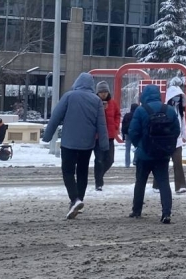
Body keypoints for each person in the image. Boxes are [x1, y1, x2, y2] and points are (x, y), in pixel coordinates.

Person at [42, 72, 108, 220]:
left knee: (68, 171)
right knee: (82, 172)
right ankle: (78, 200)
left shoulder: (69, 96)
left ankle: (74, 199)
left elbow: (56, 117)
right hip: (87, 144)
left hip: (69, 143)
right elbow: (101, 125)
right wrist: (104, 145)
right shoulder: (96, 100)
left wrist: (47, 136)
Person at [128, 85, 180, 224]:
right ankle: (166, 212)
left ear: (144, 95)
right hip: (162, 154)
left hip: (144, 154)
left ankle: (137, 210)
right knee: (164, 183)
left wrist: (139, 145)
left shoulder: (140, 110)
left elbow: (133, 132)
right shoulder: (169, 110)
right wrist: (167, 146)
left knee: (140, 182)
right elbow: (176, 131)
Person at [152, 86, 186, 194]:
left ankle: (180, 186)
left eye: (179, 97)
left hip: (177, 142)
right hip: (165, 141)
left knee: (178, 163)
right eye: (175, 96)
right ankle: (157, 185)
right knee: (163, 163)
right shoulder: (164, 109)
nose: (177, 99)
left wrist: (184, 136)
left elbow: (183, 124)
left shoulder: (181, 110)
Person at [94, 81, 121, 191]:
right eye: (101, 92)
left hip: (110, 136)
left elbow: (117, 115)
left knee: (110, 160)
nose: (103, 94)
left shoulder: (113, 103)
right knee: (99, 159)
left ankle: (99, 176)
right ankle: (98, 182)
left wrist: (115, 125)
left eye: (105, 91)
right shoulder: (94, 102)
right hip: (98, 137)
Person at [122, 103, 139, 168]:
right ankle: (135, 160)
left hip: (127, 133)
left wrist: (123, 135)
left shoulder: (127, 115)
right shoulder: (137, 115)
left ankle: (127, 163)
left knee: (127, 149)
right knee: (137, 148)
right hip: (135, 133)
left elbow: (123, 126)